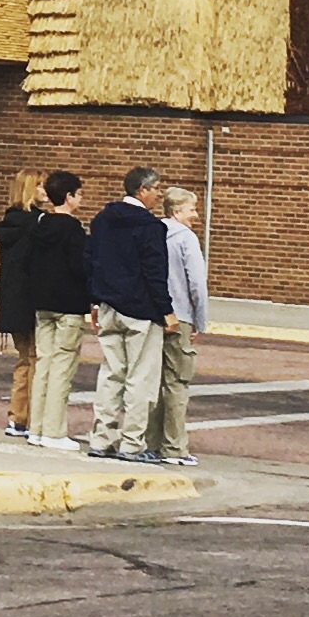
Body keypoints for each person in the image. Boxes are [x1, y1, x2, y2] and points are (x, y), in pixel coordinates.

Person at [85, 167, 174, 463]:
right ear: (142, 190)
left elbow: (92, 261)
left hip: (109, 304)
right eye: (156, 188)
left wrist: (94, 300)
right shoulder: (151, 227)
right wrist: (166, 310)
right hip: (141, 310)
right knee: (140, 379)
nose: (159, 194)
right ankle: (132, 444)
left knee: (111, 375)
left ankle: (101, 438)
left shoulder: (102, 220)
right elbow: (155, 272)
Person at [25, 171, 89, 451]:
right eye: (79, 193)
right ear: (69, 196)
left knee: (43, 366)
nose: (81, 198)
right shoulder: (73, 230)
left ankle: (36, 428)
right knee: (62, 367)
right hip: (68, 305)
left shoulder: (39, 225)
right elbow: (80, 268)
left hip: (42, 302)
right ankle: (54, 430)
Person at [149, 186, 210, 466]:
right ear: (177, 211)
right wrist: (200, 320)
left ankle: (150, 441)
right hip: (181, 314)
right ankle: (174, 447)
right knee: (177, 383)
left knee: (152, 382)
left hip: (153, 315)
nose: (195, 215)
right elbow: (197, 283)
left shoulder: (153, 232)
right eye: (191, 210)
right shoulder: (186, 239)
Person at [0, 169, 46, 438]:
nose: (44, 191)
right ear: (29, 190)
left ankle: (17, 417)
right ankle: (33, 418)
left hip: (12, 301)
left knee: (24, 360)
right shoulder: (38, 223)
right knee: (37, 360)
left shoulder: (9, 222)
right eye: (39, 186)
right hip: (33, 300)